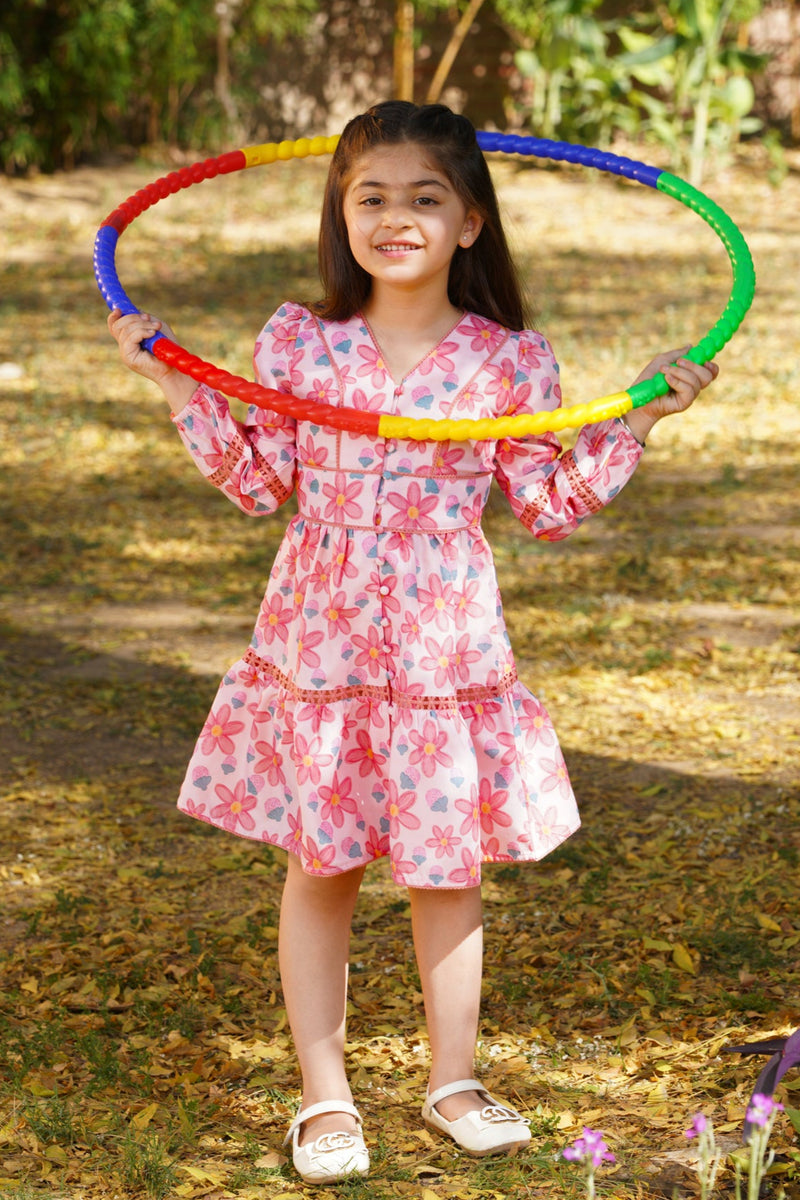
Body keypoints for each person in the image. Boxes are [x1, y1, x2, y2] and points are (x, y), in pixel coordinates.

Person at [108, 100, 719, 1184]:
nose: (395, 217)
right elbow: (258, 483)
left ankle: (452, 1080)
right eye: (370, 197)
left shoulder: (506, 361)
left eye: (423, 198)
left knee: (447, 873)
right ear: (337, 212)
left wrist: (635, 421)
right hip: (323, 640)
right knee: (322, 861)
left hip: (443, 644)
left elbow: (546, 498)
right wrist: (173, 383)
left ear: (470, 222)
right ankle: (324, 1096)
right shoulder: (301, 340)